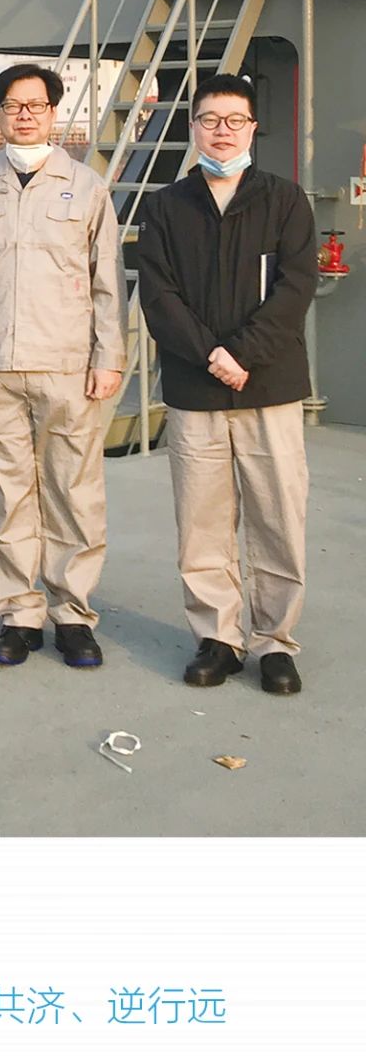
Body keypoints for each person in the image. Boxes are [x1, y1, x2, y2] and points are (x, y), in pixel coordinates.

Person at [136, 73, 317, 694]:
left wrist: (242, 354)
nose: (222, 131)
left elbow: (296, 289)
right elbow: (158, 295)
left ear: (252, 128)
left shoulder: (284, 200)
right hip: (197, 388)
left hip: (269, 385)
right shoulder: (166, 206)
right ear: (193, 128)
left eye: (235, 120)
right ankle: (218, 637)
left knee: (277, 516)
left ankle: (275, 641)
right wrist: (211, 355)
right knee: (202, 521)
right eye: (210, 120)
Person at [0, 62, 127, 668]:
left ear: (53, 112)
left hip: (68, 365)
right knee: (4, 495)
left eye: (36, 105)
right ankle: (19, 615)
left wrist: (109, 358)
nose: (25, 115)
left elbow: (108, 282)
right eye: (13, 106)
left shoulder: (87, 187)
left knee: (73, 492)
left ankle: (73, 615)